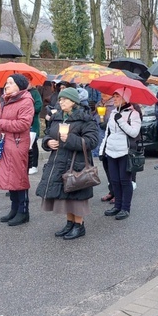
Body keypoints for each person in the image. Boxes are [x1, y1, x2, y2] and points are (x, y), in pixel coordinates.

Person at [36, 86, 100, 239]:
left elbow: (92, 142)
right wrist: (48, 142)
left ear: (73, 102)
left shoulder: (85, 118)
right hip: (59, 161)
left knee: (76, 196)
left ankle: (79, 225)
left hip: (76, 163)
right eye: (60, 99)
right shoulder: (58, 116)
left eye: (64, 99)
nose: (61, 101)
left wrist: (69, 139)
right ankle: (70, 223)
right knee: (66, 195)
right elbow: (47, 134)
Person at [0, 74, 34, 226]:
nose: (6, 85)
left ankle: (23, 211)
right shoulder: (4, 101)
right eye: (6, 83)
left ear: (19, 85)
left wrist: (0, 122)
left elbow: (23, 124)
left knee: (19, 178)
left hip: (18, 144)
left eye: (10, 83)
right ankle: (14, 209)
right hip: (5, 142)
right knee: (11, 178)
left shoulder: (26, 101)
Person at [101, 88, 142, 220]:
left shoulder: (134, 114)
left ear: (125, 98)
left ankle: (125, 208)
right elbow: (107, 133)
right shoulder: (113, 112)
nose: (115, 99)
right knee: (114, 180)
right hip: (111, 151)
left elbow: (134, 133)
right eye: (114, 96)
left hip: (125, 152)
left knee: (125, 181)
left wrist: (121, 121)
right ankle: (117, 206)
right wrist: (102, 150)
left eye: (117, 96)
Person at [28, 78, 43, 175]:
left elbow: (38, 106)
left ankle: (34, 165)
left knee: (33, 144)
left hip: (33, 122)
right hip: (25, 122)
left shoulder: (34, 92)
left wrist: (27, 110)